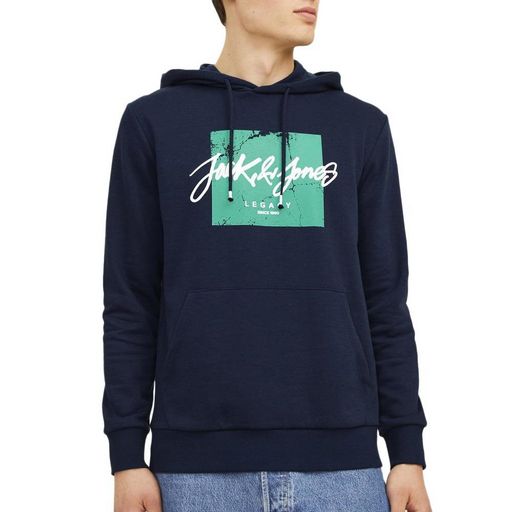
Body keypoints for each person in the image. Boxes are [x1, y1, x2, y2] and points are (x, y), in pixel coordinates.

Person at [102, 0, 432, 510]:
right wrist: (126, 456)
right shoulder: (155, 122)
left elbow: (386, 301)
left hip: (343, 471)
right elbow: (130, 301)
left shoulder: (359, 126)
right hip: (194, 475)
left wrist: (407, 451)